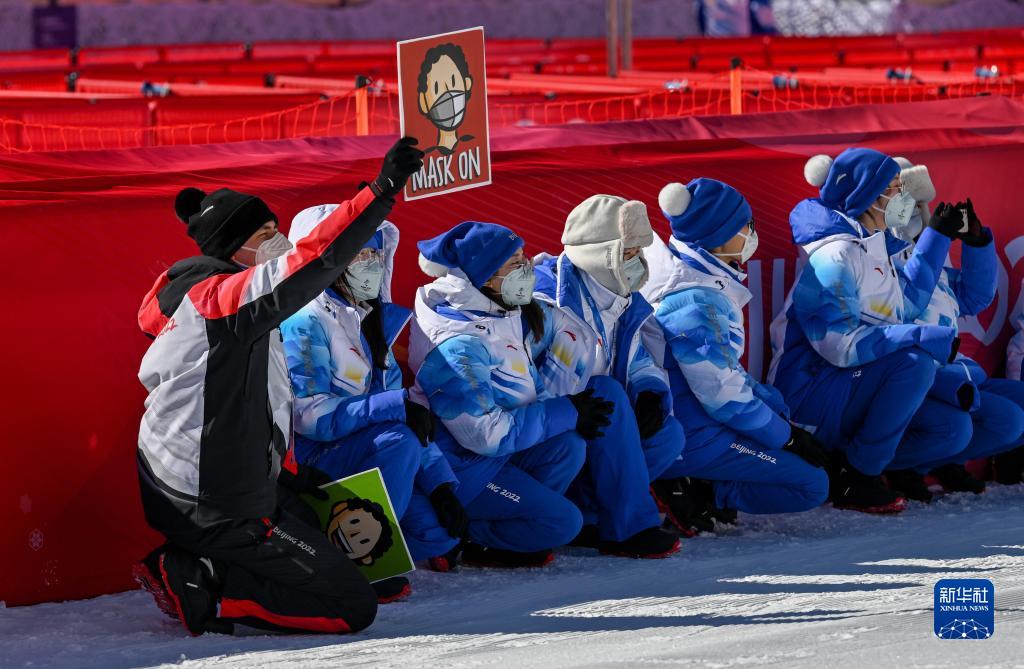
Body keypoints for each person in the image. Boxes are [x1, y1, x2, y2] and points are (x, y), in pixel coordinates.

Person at [132, 138, 424, 635]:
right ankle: (205, 581)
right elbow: (311, 264)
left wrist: (285, 480)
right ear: (233, 248)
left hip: (219, 485)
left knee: (365, 566)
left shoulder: (224, 306)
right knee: (353, 607)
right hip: (210, 502)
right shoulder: (221, 299)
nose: (279, 240)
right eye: (266, 232)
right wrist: (380, 192)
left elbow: (241, 408)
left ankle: (215, 557)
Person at [280, 207, 468, 602]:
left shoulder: (374, 320)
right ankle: (366, 565)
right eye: (360, 255)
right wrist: (392, 406)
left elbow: (408, 415)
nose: (373, 265)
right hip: (314, 458)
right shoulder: (305, 321)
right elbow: (308, 415)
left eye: (376, 255)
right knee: (398, 438)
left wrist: (441, 486)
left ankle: (364, 540)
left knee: (439, 534)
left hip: (367, 449)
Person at [767, 147, 966, 514]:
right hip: (811, 389)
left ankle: (841, 463)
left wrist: (937, 236)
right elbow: (839, 346)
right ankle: (858, 477)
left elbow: (907, 304)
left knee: (952, 429)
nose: (902, 196)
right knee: (914, 364)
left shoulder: (875, 246)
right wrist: (918, 336)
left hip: (852, 386)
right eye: (893, 187)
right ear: (868, 197)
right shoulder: (835, 254)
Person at [640, 178, 830, 525]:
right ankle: (704, 491)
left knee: (774, 405)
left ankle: (704, 479)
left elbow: (728, 378)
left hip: (699, 421)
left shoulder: (700, 281)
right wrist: (787, 439)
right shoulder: (696, 300)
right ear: (719, 232)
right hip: (693, 434)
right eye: (746, 225)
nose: (752, 232)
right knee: (811, 485)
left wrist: (775, 415)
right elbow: (723, 396)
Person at [409, 221, 596, 569]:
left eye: (524, 258)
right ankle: (463, 534)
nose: (526, 269)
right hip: (467, 470)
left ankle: (514, 528)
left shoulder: (497, 311)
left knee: (569, 446)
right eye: (514, 264)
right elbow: (485, 436)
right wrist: (566, 410)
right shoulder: (459, 347)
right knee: (563, 523)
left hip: (500, 454)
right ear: (484, 277)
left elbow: (527, 384)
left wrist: (565, 409)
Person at [532, 195, 689, 536]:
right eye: (627, 254)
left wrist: (650, 391)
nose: (636, 263)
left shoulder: (623, 299)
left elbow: (638, 361)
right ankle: (631, 528)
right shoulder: (545, 301)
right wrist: (568, 411)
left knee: (668, 435)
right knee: (607, 392)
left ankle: (591, 515)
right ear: (600, 254)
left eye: (638, 253)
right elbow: (522, 379)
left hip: (600, 424)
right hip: (552, 427)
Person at [888, 158, 1024, 494]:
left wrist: (975, 242)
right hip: (905, 377)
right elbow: (909, 298)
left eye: (923, 206)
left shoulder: (926, 256)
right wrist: (933, 240)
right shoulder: (873, 258)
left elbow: (974, 298)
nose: (920, 215)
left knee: (1011, 414)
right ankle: (902, 465)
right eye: (910, 204)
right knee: (962, 424)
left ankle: (937, 461)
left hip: (948, 374)